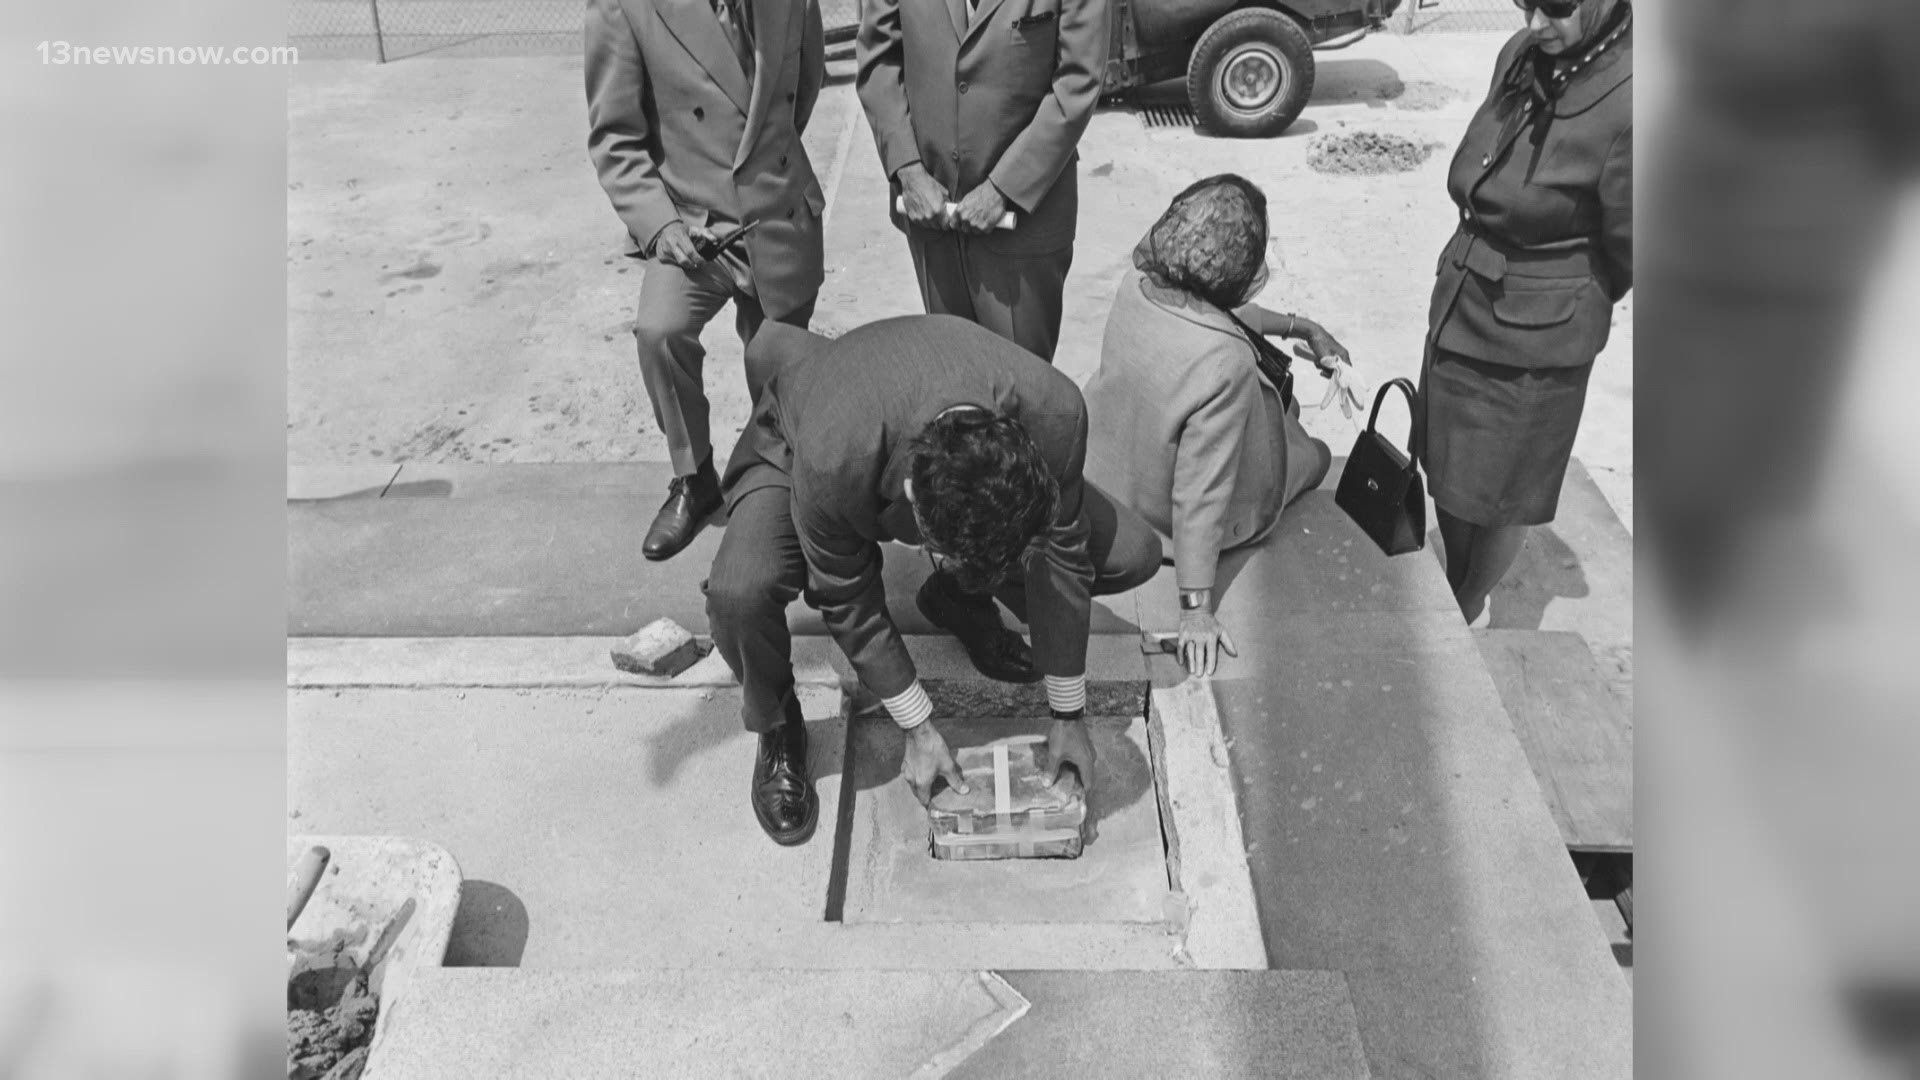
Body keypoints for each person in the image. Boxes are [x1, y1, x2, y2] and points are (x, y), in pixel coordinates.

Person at [704, 314, 1163, 844]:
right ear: (914, 507)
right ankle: (778, 720)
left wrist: (1068, 713)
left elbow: (1063, 552)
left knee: (1131, 553)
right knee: (740, 592)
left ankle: (955, 600)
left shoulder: (1055, 413)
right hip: (800, 438)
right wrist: (917, 725)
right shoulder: (834, 454)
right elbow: (845, 594)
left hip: (901, 419)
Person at [586, 0, 827, 562]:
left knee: (778, 370)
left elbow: (802, 90)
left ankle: (769, 491)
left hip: (775, 209)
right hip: (689, 225)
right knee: (660, 333)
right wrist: (659, 222)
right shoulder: (627, 8)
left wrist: (766, 171)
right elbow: (615, 139)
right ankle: (694, 480)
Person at [1085, 175, 1350, 677]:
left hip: (1115, 470)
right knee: (1312, 455)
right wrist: (1196, 610)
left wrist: (1301, 326)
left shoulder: (1139, 284)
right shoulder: (1225, 359)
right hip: (1164, 513)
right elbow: (1200, 495)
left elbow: (1214, 305)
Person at [1418, 0, 1632, 623]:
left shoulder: (1636, 99)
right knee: (1451, 474)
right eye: (1524, 2)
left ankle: (1462, 605)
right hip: (1465, 301)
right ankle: (1459, 585)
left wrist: (1564, 296)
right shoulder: (1521, 53)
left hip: (1536, 340)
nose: (1537, 23)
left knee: (1504, 496)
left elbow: (1632, 245)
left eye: (1557, 8)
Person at [854, 0, 1108, 362]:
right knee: (952, 382)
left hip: (1022, 228)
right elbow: (878, 62)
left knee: (1020, 394)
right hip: (932, 216)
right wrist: (908, 171)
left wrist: (1003, 189)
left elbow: (1078, 82)